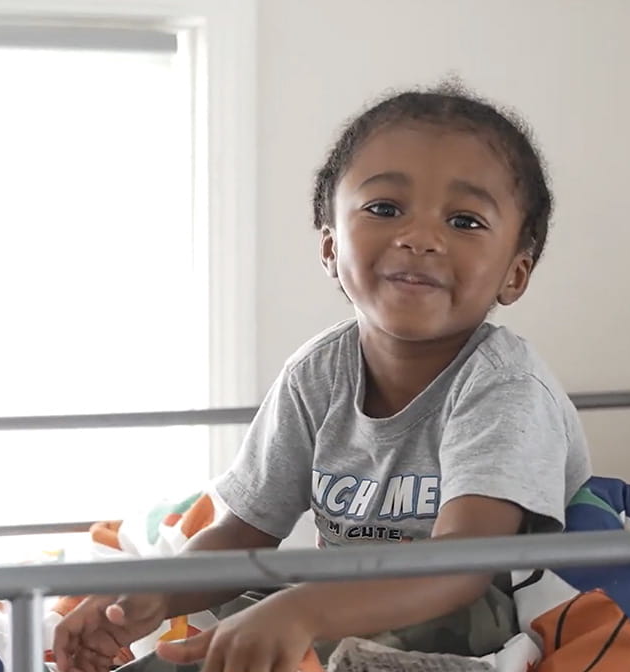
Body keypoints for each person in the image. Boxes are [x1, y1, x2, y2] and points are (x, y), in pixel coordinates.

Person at [53, 82, 593, 672]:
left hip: (470, 614)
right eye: (385, 209)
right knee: (221, 640)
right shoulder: (316, 373)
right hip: (333, 605)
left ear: (514, 274)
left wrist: (303, 614)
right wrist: (150, 598)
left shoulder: (503, 388)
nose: (419, 238)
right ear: (331, 246)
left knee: (307, 640)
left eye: (464, 221)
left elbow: (462, 566)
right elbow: (244, 534)